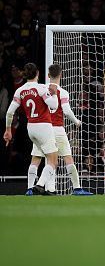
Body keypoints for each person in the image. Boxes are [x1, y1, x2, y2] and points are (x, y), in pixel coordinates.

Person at [27, 64, 93, 195]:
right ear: (61, 75)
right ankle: (77, 188)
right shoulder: (62, 92)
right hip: (57, 129)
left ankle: (30, 189)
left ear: (48, 75)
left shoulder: (41, 89)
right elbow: (67, 111)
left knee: (36, 158)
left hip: (43, 129)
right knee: (67, 158)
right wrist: (76, 121)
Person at [4, 63, 59, 195]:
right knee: (53, 160)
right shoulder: (41, 88)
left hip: (31, 128)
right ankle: (39, 185)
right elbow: (54, 106)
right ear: (38, 73)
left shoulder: (20, 90)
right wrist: (54, 94)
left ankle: (30, 189)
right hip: (44, 126)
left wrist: (8, 130)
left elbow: (9, 112)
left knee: (36, 157)